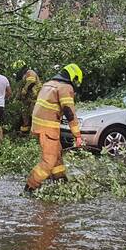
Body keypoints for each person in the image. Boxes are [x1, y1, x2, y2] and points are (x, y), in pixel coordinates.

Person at [25, 63, 83, 194]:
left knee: (57, 155)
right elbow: (69, 112)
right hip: (48, 127)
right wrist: (77, 136)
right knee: (49, 161)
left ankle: (60, 182)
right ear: (73, 77)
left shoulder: (49, 84)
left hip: (39, 125)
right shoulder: (65, 87)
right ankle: (29, 188)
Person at [16, 67, 41, 135]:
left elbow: (31, 82)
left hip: (34, 99)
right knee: (25, 114)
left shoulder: (30, 72)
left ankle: (34, 133)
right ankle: (25, 132)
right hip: (28, 99)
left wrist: (25, 90)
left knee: (33, 115)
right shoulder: (24, 77)